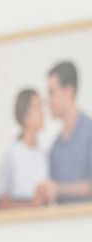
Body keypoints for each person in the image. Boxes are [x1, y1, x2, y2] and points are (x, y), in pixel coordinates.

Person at [37, 61, 92, 205]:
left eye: (52, 92)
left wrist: (59, 189)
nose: (48, 101)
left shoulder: (89, 132)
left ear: (69, 91)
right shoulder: (55, 147)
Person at [0, 88, 49, 209]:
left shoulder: (44, 155)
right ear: (25, 117)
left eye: (42, 106)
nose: (42, 113)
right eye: (37, 107)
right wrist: (31, 205)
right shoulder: (12, 153)